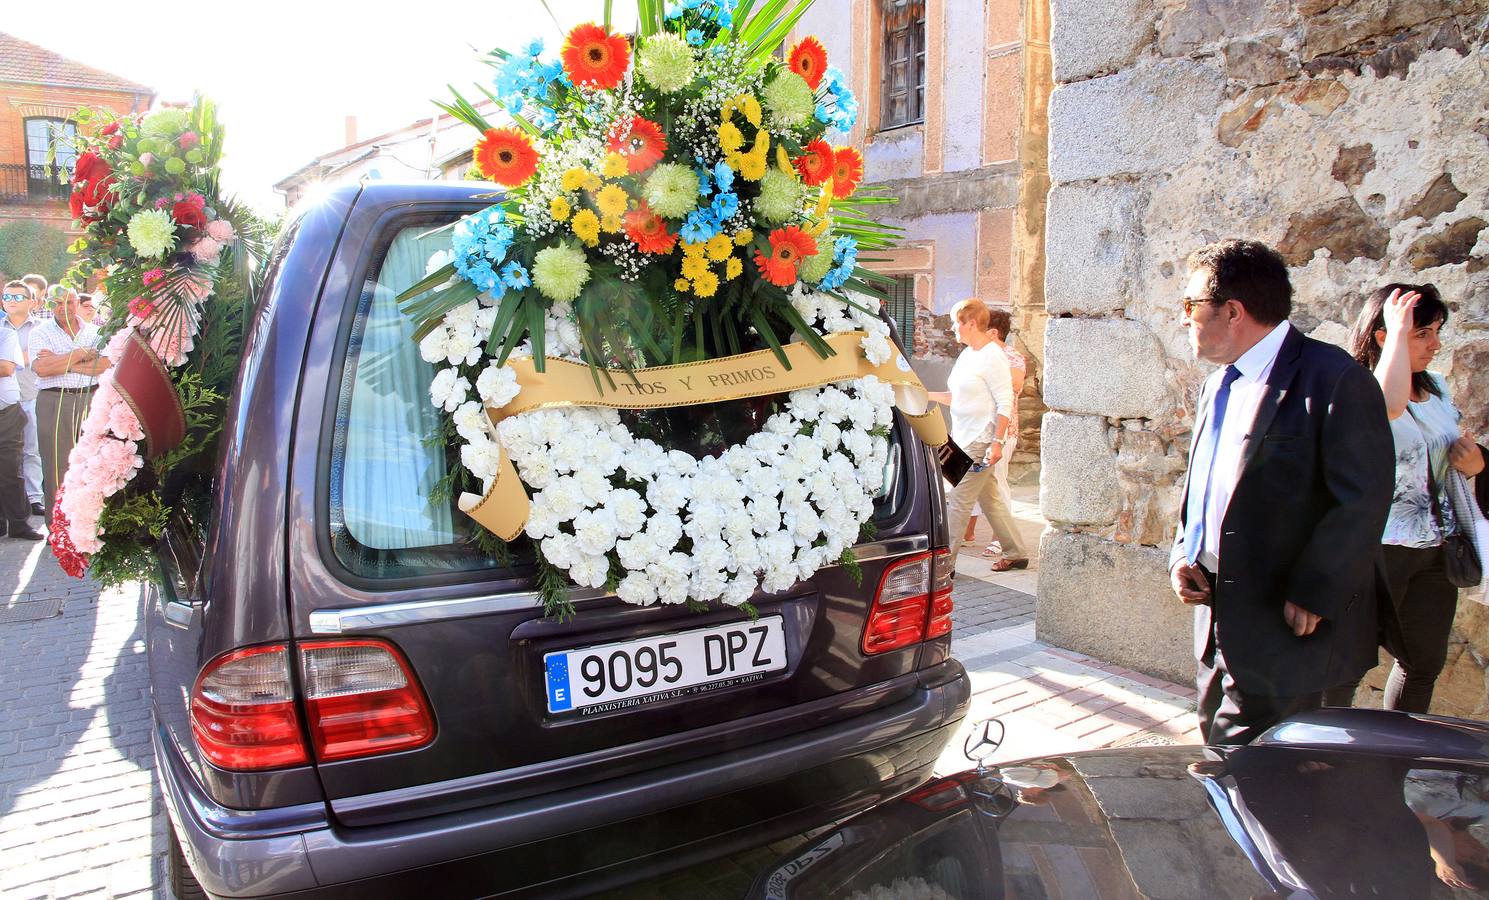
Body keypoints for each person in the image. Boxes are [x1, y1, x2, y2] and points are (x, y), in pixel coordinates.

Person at [1168, 239, 1393, 745]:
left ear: (1232, 311)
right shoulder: (1216, 385)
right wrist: (1185, 550)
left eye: (1190, 306)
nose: (1184, 319)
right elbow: (1204, 482)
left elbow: (1364, 497)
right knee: (1221, 760)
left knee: (1280, 785)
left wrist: (1316, 589)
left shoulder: (1335, 379)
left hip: (1289, 632)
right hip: (1217, 621)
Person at [1324, 285, 1486, 713]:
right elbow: (1388, 408)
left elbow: (1449, 452)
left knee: (1422, 663)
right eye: (1423, 334)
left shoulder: (1435, 387)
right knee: (1345, 664)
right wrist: (1397, 329)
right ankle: (1319, 754)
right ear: (1384, 336)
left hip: (1436, 547)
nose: (1435, 344)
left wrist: (1474, 466)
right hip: (1378, 548)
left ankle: (1397, 756)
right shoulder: (1357, 387)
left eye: (1437, 332)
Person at [926, 298, 1029, 568]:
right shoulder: (967, 354)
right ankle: (1016, 552)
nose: (952, 328)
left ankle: (943, 567)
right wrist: (925, 395)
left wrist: (997, 442)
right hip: (962, 438)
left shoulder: (993, 356)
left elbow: (1005, 400)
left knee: (958, 502)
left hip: (980, 441)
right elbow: (957, 397)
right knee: (991, 499)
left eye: (955, 322)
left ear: (970, 323)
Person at [30, 287, 109, 525]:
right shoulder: (39, 333)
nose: (64, 307)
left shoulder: (96, 331)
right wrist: (80, 355)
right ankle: (59, 527)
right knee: (57, 466)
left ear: (77, 302)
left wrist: (62, 361)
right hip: (54, 400)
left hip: (91, 398)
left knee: (93, 463)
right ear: (48, 304)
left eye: (69, 302)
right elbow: (42, 369)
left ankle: (90, 526)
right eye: (57, 303)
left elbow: (104, 364)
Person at [0, 290, 42, 540]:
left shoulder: (6, 334)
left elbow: (5, 368)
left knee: (10, 469)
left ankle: (18, 522)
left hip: (6, 412)